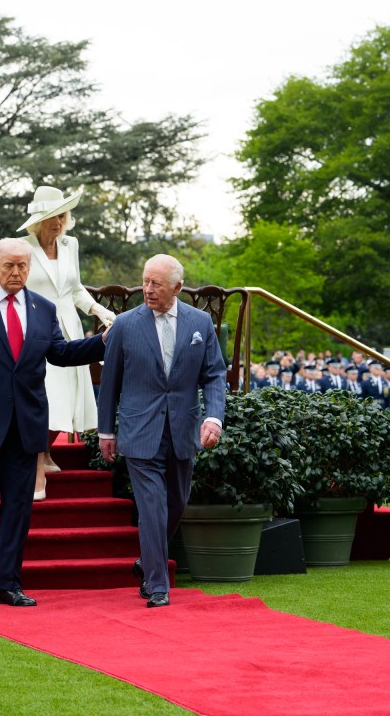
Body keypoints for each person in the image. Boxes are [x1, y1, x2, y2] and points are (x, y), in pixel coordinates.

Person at [0, 238, 105, 607]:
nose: (16, 272)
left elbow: (59, 353)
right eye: (9, 265)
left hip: (27, 421)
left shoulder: (43, 308)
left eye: (23, 266)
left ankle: (7, 583)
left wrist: (103, 342)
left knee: (19, 504)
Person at [97, 254, 226, 608]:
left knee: (176, 503)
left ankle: (147, 561)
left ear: (178, 287)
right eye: (145, 281)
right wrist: (106, 432)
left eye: (156, 284)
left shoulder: (200, 323)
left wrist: (213, 418)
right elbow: (110, 384)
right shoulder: (124, 325)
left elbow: (214, 374)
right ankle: (157, 585)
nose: (147, 289)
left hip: (184, 428)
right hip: (140, 431)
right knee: (152, 506)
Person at [18, 185, 116, 499]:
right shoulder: (21, 246)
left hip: (69, 330)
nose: (58, 222)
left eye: (61, 215)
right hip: (33, 329)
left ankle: (45, 452)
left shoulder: (70, 245)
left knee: (68, 396)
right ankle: (36, 458)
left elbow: (74, 291)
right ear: (38, 220)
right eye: (51, 217)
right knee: (46, 395)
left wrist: (101, 311)